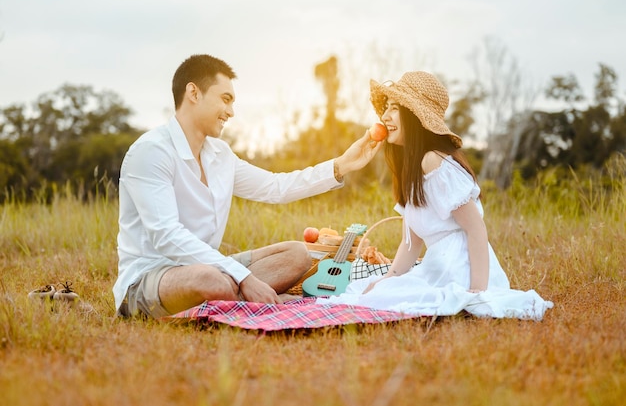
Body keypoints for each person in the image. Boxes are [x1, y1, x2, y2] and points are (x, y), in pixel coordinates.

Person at [113, 54, 382, 319]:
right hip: (149, 279)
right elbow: (166, 236)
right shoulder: (151, 152)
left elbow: (276, 187)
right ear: (193, 93)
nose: (231, 112)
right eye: (225, 99)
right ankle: (242, 297)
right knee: (211, 280)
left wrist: (341, 165)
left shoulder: (220, 155)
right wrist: (243, 277)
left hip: (210, 268)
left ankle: (231, 299)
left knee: (297, 254)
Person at [318, 71, 553, 320]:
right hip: (438, 266)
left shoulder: (434, 161)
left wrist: (478, 292)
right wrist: (387, 281)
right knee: (372, 292)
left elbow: (476, 230)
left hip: (461, 268)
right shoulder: (412, 170)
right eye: (386, 108)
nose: (385, 116)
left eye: (394, 108)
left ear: (416, 117)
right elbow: (411, 243)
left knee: (396, 299)